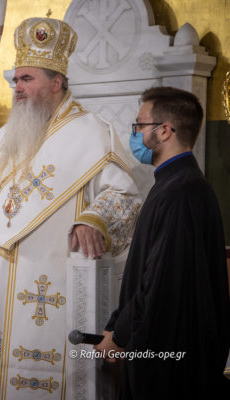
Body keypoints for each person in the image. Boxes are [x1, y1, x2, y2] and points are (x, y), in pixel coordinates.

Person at [0, 17, 141, 399]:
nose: (16, 88)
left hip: (50, 282)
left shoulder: (93, 133)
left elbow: (124, 195)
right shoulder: (8, 134)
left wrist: (94, 219)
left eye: (26, 79)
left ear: (56, 83)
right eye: (15, 80)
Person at [94, 87, 230, 398]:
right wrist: (117, 324)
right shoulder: (175, 184)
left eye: (140, 125)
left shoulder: (180, 192)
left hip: (170, 361)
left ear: (165, 130)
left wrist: (121, 335)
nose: (135, 134)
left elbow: (160, 282)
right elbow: (145, 271)